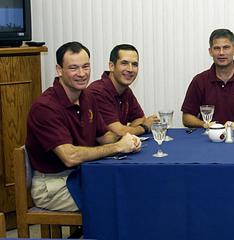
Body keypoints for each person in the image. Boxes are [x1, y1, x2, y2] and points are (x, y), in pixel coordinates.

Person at [25, 42, 141, 211]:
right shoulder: (45, 107)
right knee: (119, 200)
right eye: (73, 68)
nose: (81, 74)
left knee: (132, 185)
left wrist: (128, 139)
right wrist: (118, 147)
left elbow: (104, 137)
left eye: (86, 66)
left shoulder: (87, 96)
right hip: (54, 185)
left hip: (82, 173)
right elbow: (70, 156)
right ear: (59, 70)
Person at [182, 29, 234, 130]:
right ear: (210, 52)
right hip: (208, 139)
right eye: (217, 48)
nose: (221, 53)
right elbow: (187, 118)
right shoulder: (199, 81)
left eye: (226, 48)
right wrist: (204, 124)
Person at [86, 44, 157, 136]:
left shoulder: (126, 90)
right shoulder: (97, 92)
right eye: (124, 63)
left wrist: (127, 130)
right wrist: (144, 127)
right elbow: (118, 132)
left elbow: (140, 118)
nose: (130, 69)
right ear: (111, 66)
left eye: (134, 64)